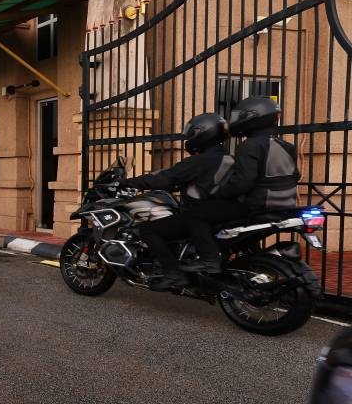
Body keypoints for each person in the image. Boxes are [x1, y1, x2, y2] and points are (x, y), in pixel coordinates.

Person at [182, 96, 300, 273]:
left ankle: (209, 260)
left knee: (196, 214)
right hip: (285, 205)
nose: (235, 121)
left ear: (252, 117)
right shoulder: (286, 145)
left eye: (239, 116)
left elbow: (243, 182)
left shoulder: (250, 145)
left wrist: (218, 192)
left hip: (256, 206)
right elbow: (295, 176)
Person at [122, 113, 234, 290]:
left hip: (199, 214)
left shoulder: (199, 161)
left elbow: (166, 177)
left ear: (202, 134)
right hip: (222, 214)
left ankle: (173, 273)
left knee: (148, 230)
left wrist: (129, 182)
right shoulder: (230, 159)